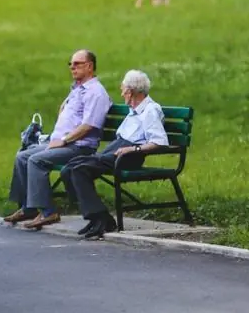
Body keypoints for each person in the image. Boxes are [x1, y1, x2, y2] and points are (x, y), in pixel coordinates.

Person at [5, 50, 112, 231]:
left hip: (79, 148)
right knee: (22, 156)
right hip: (63, 142)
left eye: (77, 64)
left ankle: (48, 212)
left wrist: (63, 140)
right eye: (70, 64)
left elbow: (88, 126)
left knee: (36, 160)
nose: (72, 67)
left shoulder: (96, 93)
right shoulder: (78, 90)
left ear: (89, 66)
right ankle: (28, 207)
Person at [60, 70, 169, 239]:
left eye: (123, 89)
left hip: (128, 156)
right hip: (116, 151)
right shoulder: (134, 110)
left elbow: (159, 141)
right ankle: (96, 217)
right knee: (69, 168)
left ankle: (101, 219)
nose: (121, 93)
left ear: (130, 91)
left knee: (80, 169)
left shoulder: (150, 110)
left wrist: (133, 149)